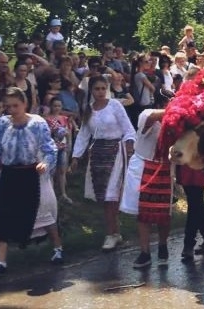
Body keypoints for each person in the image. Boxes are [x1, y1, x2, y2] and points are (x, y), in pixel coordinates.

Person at [0, 87, 63, 278]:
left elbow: (49, 147)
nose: (12, 109)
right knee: (2, 215)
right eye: (8, 106)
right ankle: (1, 262)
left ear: (24, 103)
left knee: (42, 212)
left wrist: (46, 162)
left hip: (32, 173)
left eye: (16, 105)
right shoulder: (2, 123)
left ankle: (58, 248)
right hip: (9, 174)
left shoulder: (37, 123)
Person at [71, 76, 136, 252]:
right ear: (91, 90)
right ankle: (114, 231)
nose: (100, 92)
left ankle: (111, 233)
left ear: (106, 89)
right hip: (97, 153)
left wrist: (130, 147)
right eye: (96, 89)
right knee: (103, 195)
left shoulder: (115, 105)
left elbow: (128, 128)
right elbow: (84, 134)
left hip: (115, 151)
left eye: (102, 88)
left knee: (111, 194)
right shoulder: (89, 110)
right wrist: (76, 156)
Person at [120, 108, 173, 268]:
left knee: (164, 212)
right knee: (143, 212)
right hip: (143, 167)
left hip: (165, 168)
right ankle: (145, 252)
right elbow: (151, 119)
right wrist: (176, 106)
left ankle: (163, 246)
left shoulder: (178, 122)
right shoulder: (146, 113)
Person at [45, 97, 74, 204]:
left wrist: (69, 145)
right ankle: (51, 194)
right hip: (52, 149)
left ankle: (63, 193)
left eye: (59, 106)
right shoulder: (47, 119)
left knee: (62, 170)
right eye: (55, 105)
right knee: (51, 172)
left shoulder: (64, 119)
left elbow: (68, 132)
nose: (57, 108)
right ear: (51, 106)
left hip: (63, 147)